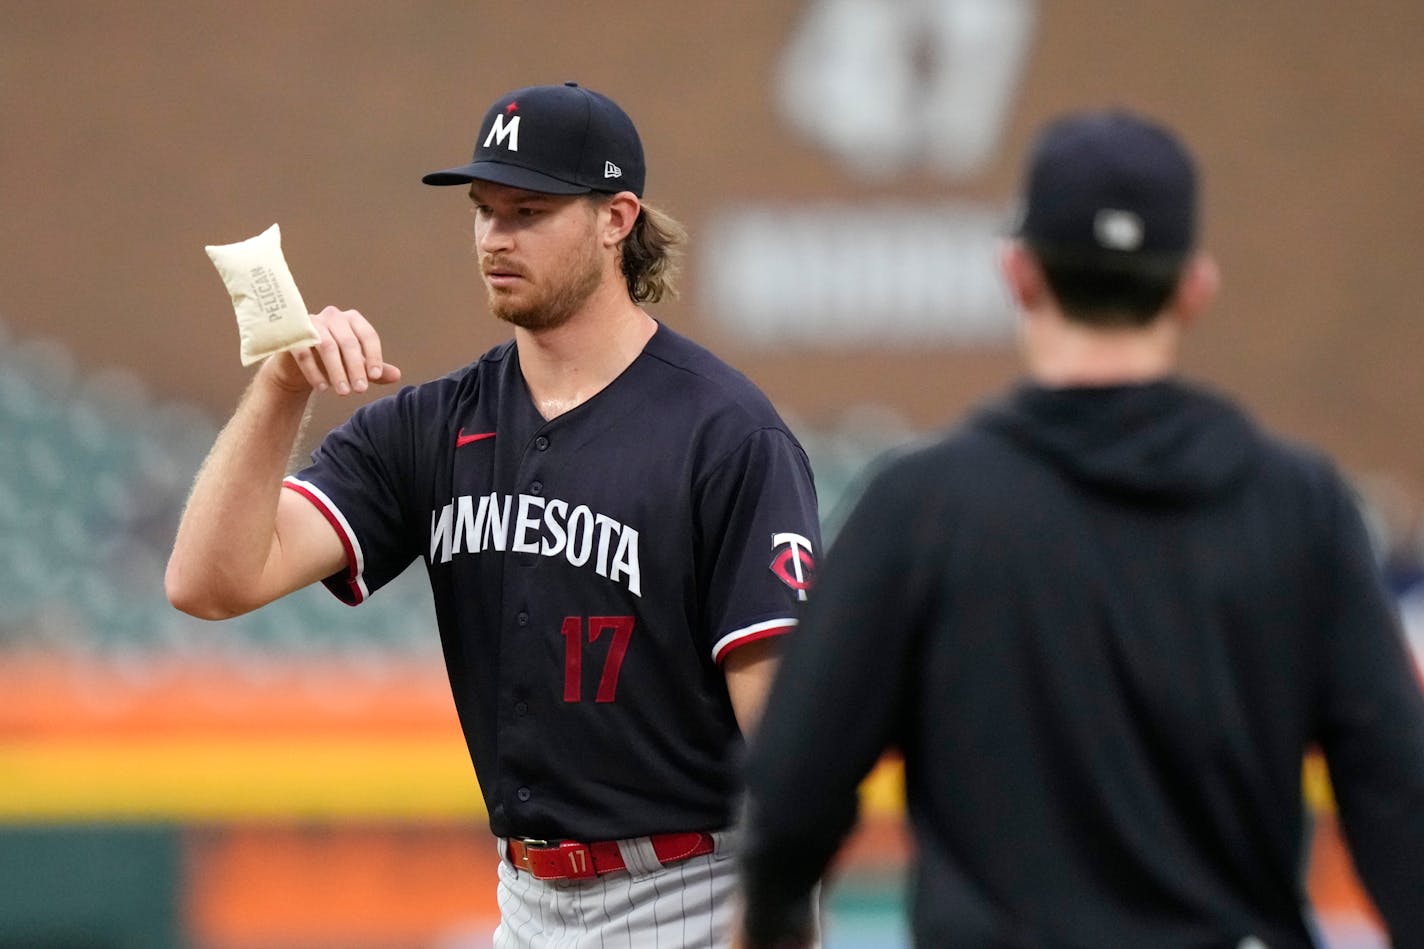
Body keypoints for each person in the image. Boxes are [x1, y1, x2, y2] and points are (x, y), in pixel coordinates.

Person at [735, 109, 1424, 948]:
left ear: (1018, 273)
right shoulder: (1300, 507)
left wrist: (771, 924)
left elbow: (792, 791)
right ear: (1193, 286)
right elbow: (1398, 796)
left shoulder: (923, 507)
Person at [167, 81, 821, 948]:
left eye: (529, 209)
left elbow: (791, 750)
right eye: (483, 209)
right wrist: (283, 385)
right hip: (524, 901)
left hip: (688, 895)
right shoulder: (435, 424)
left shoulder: (726, 436)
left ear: (616, 218)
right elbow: (208, 581)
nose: (494, 237)